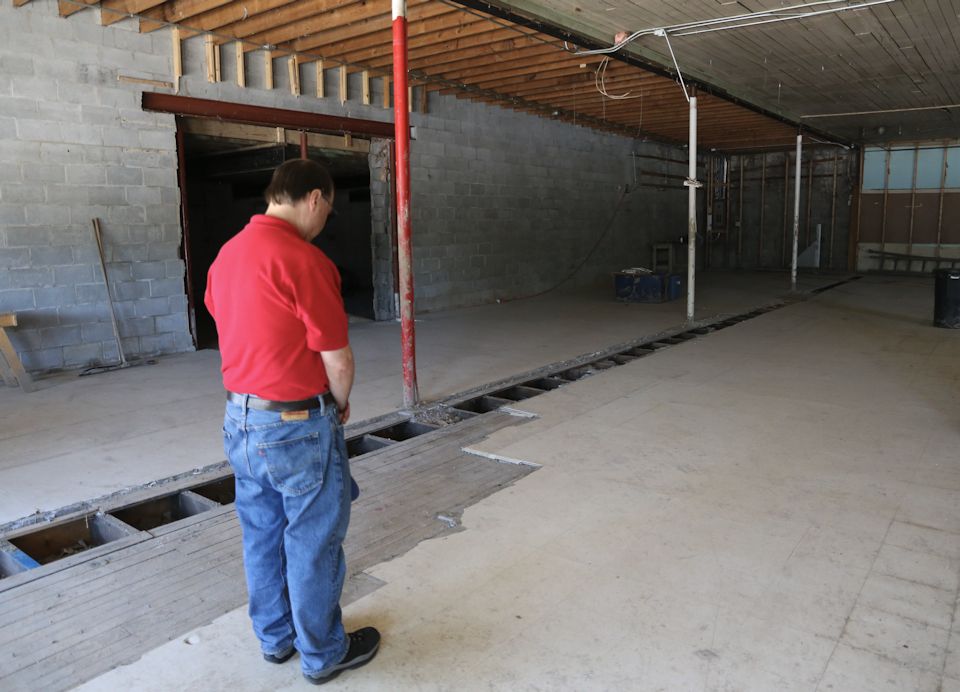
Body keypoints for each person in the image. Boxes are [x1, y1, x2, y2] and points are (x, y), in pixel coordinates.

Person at [204, 159, 380, 685]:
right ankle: (324, 653)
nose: (325, 217)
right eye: (327, 206)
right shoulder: (304, 261)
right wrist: (340, 402)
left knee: (260, 533)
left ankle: (275, 639)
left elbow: (233, 323)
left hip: (240, 418)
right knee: (313, 538)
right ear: (315, 199)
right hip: (297, 423)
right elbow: (338, 359)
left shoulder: (226, 256)